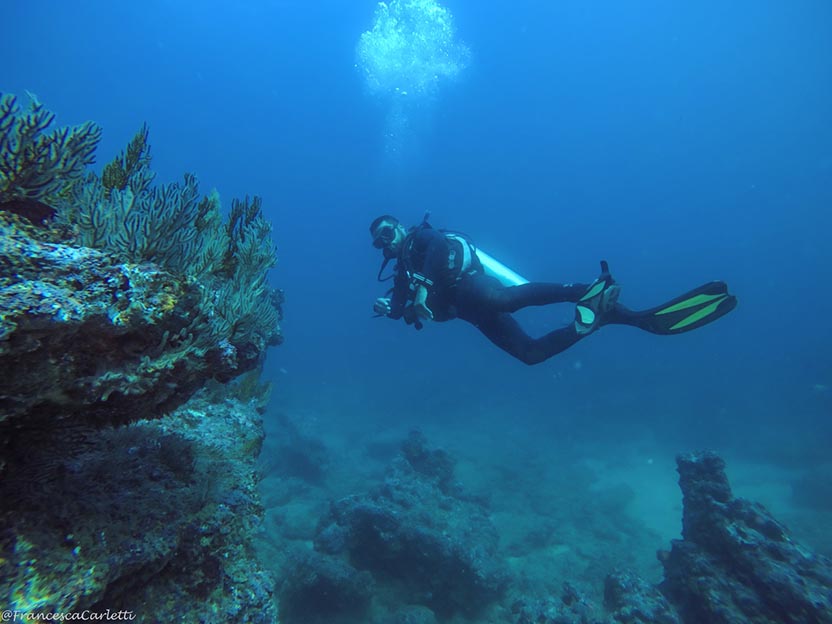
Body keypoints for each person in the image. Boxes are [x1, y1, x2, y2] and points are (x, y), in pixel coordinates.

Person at [369, 214, 737, 365]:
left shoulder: (422, 238)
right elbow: (403, 308)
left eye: (387, 232)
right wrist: (391, 307)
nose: (385, 243)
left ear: (400, 228)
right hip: (470, 314)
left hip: (469, 287)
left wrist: (425, 288)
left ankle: (588, 290)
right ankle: (608, 320)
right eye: (378, 242)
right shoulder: (402, 273)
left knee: (506, 298)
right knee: (529, 354)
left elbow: (439, 249)